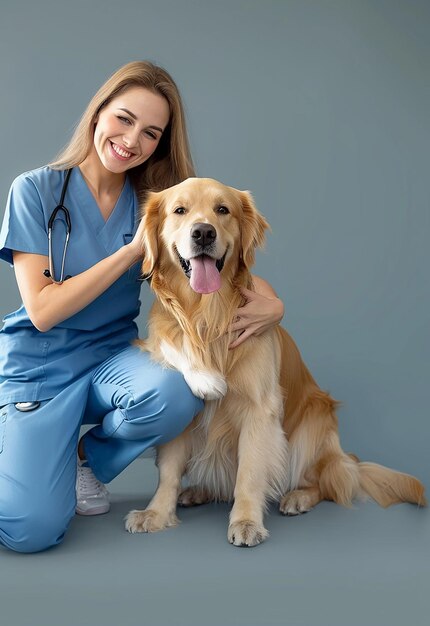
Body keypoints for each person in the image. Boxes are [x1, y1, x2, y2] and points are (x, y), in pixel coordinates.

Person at [0, 61, 284, 554]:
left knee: (182, 388)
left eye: (151, 133)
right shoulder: (36, 191)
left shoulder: (156, 201)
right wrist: (133, 251)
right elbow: (43, 310)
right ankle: (21, 454)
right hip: (40, 369)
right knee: (30, 532)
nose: (132, 140)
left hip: (115, 362)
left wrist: (274, 304)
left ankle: (84, 461)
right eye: (124, 119)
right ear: (98, 113)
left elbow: (217, 261)